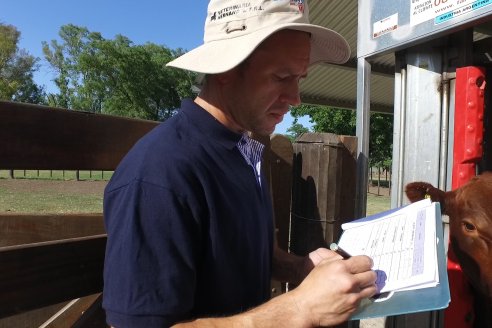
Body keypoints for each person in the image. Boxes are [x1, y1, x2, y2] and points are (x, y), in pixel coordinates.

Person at [102, 0, 378, 327]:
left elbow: (246, 255)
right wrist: (299, 309)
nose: (296, 97)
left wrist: (301, 268)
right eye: (282, 76)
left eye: (299, 77)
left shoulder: (242, 151)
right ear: (227, 68)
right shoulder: (158, 174)